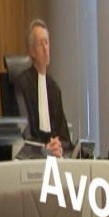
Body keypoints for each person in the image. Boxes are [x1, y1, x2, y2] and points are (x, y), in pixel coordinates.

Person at [15, 19, 71, 157]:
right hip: (33, 159)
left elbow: (65, 138)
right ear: (33, 52)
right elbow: (25, 136)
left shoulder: (54, 88)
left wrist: (58, 146)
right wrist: (44, 148)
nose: (46, 48)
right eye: (41, 44)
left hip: (54, 158)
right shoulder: (22, 84)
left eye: (47, 42)